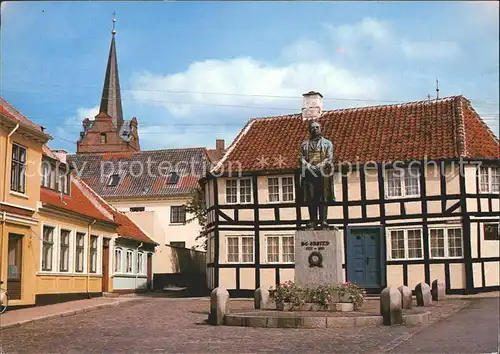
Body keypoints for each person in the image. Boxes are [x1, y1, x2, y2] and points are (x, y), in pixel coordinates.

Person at [299, 121, 335, 229]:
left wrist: (320, 165)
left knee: (323, 196)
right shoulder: (304, 145)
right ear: (310, 130)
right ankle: (313, 220)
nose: (315, 129)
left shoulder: (327, 143)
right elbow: (300, 158)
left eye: (317, 127)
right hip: (309, 174)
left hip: (323, 174)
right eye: (313, 128)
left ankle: (323, 219)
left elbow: (329, 157)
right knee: (311, 197)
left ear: (321, 129)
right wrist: (308, 165)